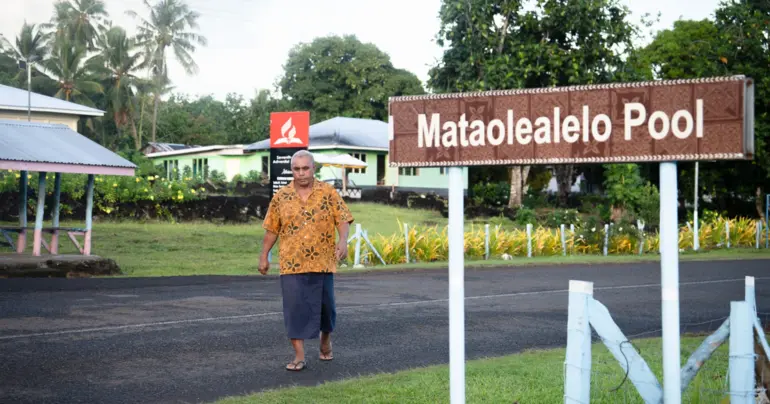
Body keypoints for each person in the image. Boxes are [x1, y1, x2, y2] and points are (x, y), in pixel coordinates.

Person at [258, 149, 354, 372]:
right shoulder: (281, 197)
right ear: (292, 170)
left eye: (305, 168)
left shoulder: (328, 192)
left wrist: (343, 241)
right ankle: (299, 355)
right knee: (295, 309)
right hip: (292, 263)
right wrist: (264, 255)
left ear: (314, 169)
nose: (301, 173)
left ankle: (325, 341)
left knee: (326, 308)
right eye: (296, 169)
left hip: (323, 261)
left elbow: (342, 219)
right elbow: (272, 229)